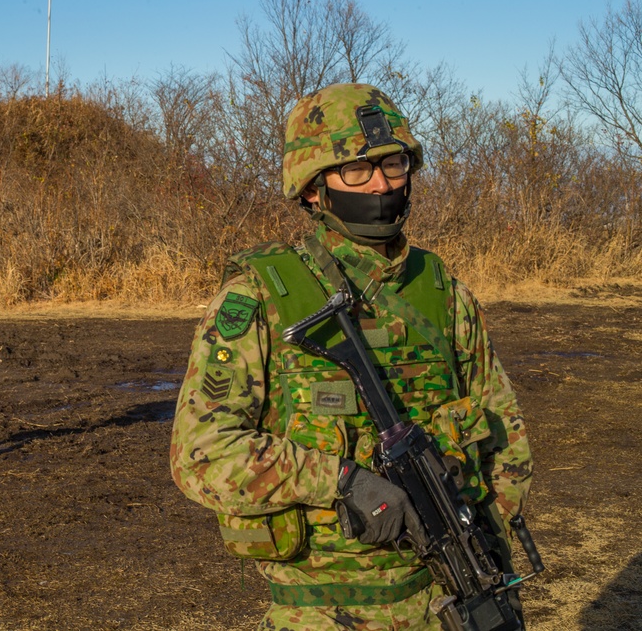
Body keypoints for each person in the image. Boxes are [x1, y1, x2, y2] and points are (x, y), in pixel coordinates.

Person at [169, 83, 533, 629]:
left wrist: (489, 554)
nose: (382, 184)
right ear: (314, 188)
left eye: (392, 164)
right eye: (356, 171)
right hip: (325, 612)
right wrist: (340, 481)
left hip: (450, 602)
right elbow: (200, 454)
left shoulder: (441, 291)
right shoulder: (263, 295)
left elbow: (504, 435)